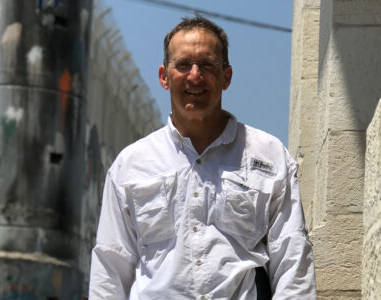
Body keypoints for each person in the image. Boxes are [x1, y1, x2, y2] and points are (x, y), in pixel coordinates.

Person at [89, 16, 316, 299]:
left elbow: (293, 261)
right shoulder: (130, 165)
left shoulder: (269, 157)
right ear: (164, 76)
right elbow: (110, 267)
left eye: (207, 65)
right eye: (183, 65)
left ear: (226, 77)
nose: (194, 76)